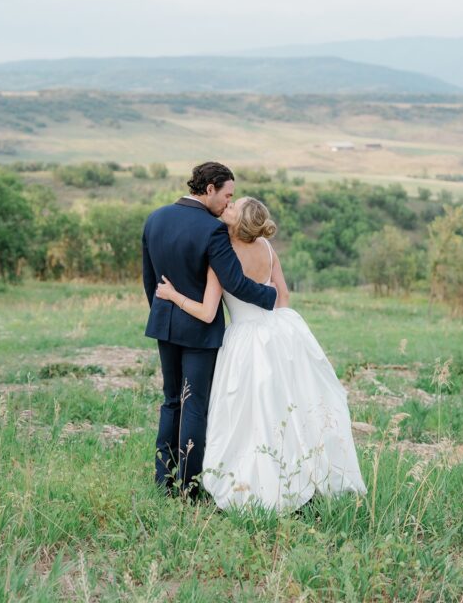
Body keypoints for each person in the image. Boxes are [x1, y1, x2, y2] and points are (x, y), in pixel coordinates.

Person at [156, 197, 366, 512]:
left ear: (239, 221)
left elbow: (207, 312)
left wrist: (173, 295)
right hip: (279, 332)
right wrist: (277, 330)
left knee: (246, 413)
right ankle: (299, 474)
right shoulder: (267, 248)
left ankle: (254, 484)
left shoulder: (222, 256)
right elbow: (283, 295)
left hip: (243, 340)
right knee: (286, 408)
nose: (227, 207)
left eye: (233, 207)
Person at [142, 162, 278, 497]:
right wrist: (270, 295)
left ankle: (164, 480)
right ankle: (188, 488)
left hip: (164, 323)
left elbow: (149, 278)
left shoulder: (155, 218)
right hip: (199, 332)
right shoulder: (212, 230)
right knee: (195, 404)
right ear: (209, 189)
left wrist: (162, 312)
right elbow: (235, 282)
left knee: (171, 400)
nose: (228, 202)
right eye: (227, 195)